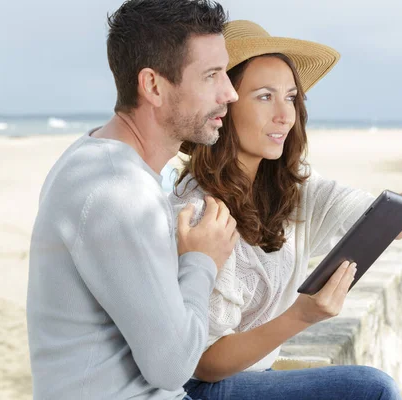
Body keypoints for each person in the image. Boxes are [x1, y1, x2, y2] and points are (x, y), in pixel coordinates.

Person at [169, 20, 402, 400]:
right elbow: (204, 363)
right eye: (265, 96)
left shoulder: (292, 190)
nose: (286, 115)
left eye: (291, 97)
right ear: (223, 106)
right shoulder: (200, 212)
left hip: (249, 377)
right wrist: (301, 315)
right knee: (372, 389)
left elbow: (392, 223)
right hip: (201, 389)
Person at [26, 1, 239, 399]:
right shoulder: (119, 191)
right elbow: (173, 366)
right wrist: (202, 261)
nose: (230, 92)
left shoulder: (94, 158)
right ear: (154, 86)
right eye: (212, 75)